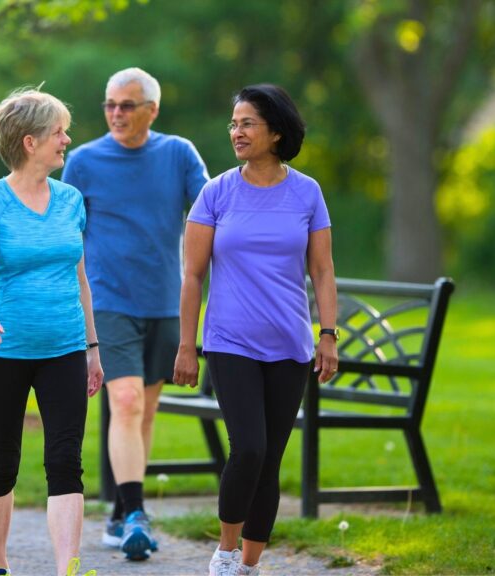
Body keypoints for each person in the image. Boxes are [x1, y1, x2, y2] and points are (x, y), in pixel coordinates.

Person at [172, 84, 339, 576]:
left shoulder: (307, 192)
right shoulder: (216, 192)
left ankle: (248, 565)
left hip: (289, 344)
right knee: (249, 447)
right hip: (230, 341)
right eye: (234, 123)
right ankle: (224, 554)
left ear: (276, 132)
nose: (236, 132)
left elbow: (323, 270)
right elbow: (193, 275)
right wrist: (188, 345)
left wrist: (327, 334)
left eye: (247, 123)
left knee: (270, 458)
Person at [61, 67, 209, 561]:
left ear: (153, 109)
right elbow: (66, 235)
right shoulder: (82, 162)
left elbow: (210, 211)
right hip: (108, 301)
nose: (116, 114)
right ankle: (137, 516)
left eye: (127, 105)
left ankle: (122, 510)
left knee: (142, 411)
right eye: (109, 105)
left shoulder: (178, 154)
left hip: (165, 302)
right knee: (124, 402)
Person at [0, 88, 104, 576]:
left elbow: (81, 278)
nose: (67, 139)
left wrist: (92, 347)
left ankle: (68, 567)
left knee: (65, 460)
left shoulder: (71, 200)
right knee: (2, 460)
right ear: (30, 141)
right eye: (58, 132)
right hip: (3, 352)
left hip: (65, 348)